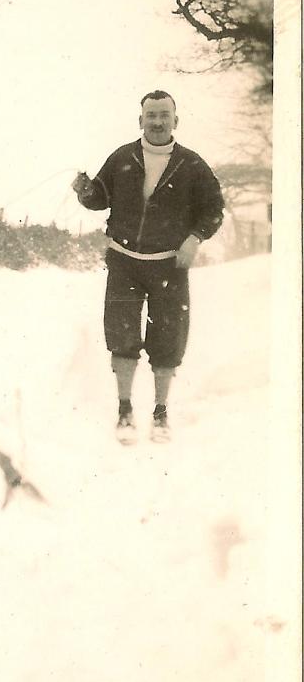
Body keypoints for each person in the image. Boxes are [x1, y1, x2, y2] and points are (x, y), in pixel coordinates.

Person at [72, 90, 225, 443]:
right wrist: (85, 191)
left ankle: (160, 413)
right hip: (124, 262)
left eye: (164, 115)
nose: (157, 122)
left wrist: (195, 238)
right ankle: (125, 411)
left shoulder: (192, 164)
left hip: (170, 266)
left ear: (175, 120)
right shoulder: (122, 157)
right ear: (140, 120)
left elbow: (214, 207)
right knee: (122, 336)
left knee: (168, 340)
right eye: (151, 115)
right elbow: (99, 198)